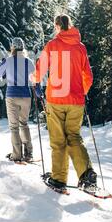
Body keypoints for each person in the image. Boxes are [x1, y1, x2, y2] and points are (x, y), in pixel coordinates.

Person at [31, 15, 97, 193]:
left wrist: (34, 80)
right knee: (74, 137)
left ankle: (59, 179)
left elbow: (40, 69)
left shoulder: (53, 45)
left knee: (58, 140)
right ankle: (87, 174)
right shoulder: (80, 47)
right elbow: (88, 77)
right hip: (76, 101)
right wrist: (81, 91)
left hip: (56, 100)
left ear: (57, 26)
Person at [0, 38, 36, 163]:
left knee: (14, 127)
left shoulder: (8, 61)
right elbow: (35, 79)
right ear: (23, 48)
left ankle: (17, 155)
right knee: (24, 124)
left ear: (12, 48)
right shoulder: (29, 62)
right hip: (26, 95)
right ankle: (29, 153)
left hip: (12, 96)